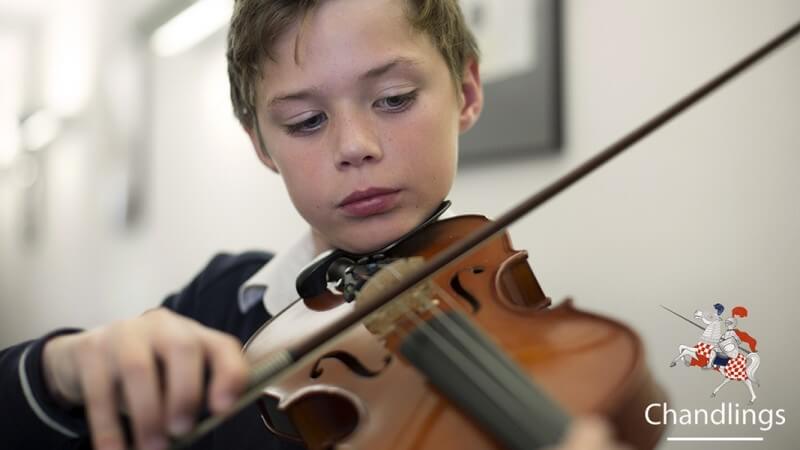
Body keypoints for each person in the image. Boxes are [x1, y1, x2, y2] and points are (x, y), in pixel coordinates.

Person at [0, 1, 628, 449]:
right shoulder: (222, 310)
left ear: (465, 92)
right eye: (305, 122)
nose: (354, 147)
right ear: (261, 145)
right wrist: (60, 370)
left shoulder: (550, 347)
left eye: (394, 99)